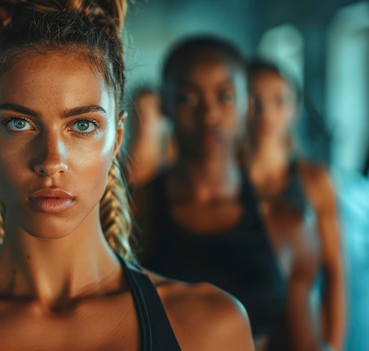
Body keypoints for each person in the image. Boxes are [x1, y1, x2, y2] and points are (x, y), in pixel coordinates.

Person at [0, 2, 254, 350]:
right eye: (19, 123)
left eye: (81, 126)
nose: (50, 161)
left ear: (116, 137)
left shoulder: (210, 330)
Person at [135, 36, 322, 351]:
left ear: (246, 103)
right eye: (188, 98)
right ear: (165, 105)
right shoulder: (134, 212)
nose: (209, 114)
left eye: (224, 96)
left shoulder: (286, 226)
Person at [243, 59, 346, 351]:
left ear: (295, 107)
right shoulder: (224, 184)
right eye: (254, 99)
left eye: (279, 100)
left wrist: (334, 345)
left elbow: (335, 270)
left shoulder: (315, 181)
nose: (267, 112)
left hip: (303, 336)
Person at [124, 86, 176, 187]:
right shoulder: (123, 160)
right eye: (140, 109)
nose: (145, 115)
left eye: (150, 108)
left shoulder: (173, 152)